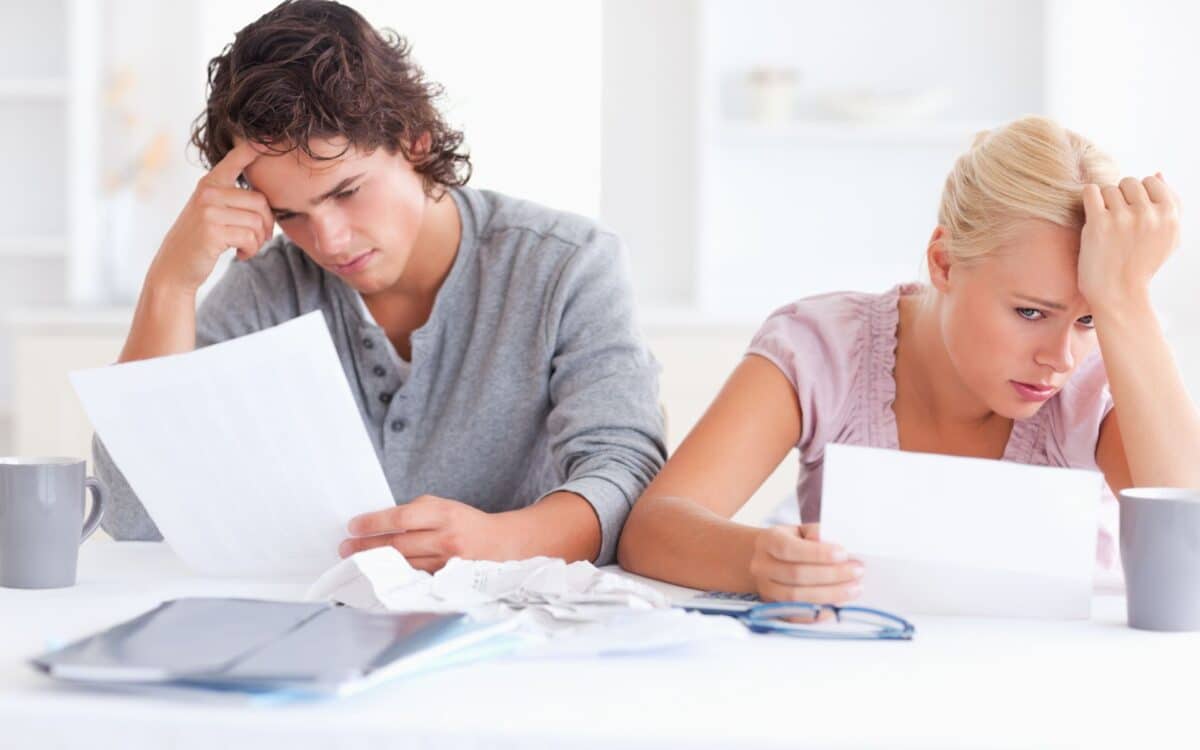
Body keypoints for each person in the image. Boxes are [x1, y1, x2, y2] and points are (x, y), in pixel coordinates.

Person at [95, 0, 666, 570]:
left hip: (522, 625)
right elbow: (132, 516)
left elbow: (625, 472)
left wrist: (498, 542)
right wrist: (170, 285)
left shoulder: (567, 266)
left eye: (345, 192)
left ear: (414, 142)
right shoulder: (272, 287)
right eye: (290, 215)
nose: (329, 241)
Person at [617, 115, 1198, 601]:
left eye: (1087, 319)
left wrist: (1126, 299)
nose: (1060, 359)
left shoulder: (1104, 377)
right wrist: (752, 560)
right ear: (943, 263)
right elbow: (654, 528)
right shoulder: (822, 348)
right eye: (1029, 312)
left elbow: (1191, 535)